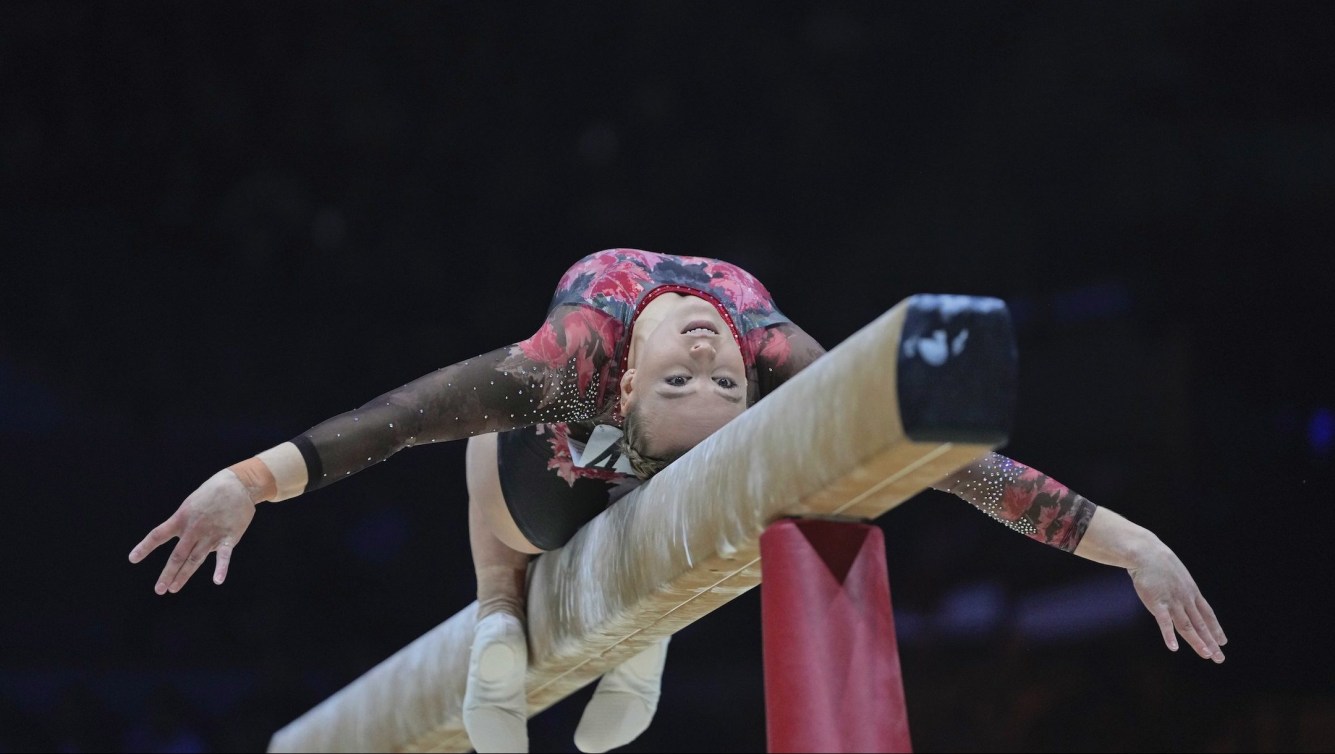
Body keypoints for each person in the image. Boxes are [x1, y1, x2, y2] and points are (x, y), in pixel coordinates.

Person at [129, 248, 1227, 753]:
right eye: (702, 384)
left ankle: (555, 615)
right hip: (569, 484)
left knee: (511, 436)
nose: (707, 357)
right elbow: (401, 413)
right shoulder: (716, 349)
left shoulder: (598, 356)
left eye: (703, 383)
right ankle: (532, 612)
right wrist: (248, 484)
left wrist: (1126, 544)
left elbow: (949, 459)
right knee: (482, 419)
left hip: (587, 491)